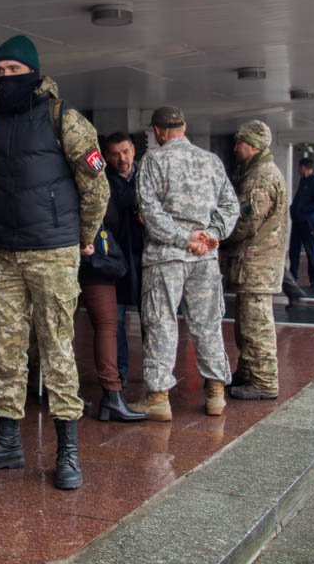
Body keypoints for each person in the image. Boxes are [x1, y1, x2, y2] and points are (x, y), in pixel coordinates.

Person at [0, 34, 109, 491]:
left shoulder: (66, 119)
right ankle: (7, 442)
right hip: (4, 252)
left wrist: (82, 239)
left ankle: (67, 451)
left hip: (53, 251)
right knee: (4, 349)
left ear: (34, 71)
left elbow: (96, 187)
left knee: (56, 349)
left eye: (13, 71)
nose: (5, 79)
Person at [130, 106, 239, 421]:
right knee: (207, 324)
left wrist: (182, 239)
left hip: (167, 258)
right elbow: (230, 205)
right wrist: (211, 235)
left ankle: (159, 398)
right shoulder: (211, 161)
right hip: (204, 257)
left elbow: (150, 212)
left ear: (158, 131)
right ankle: (216, 394)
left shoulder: (154, 160)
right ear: (184, 126)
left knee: (161, 323)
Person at [221, 120, 289, 401]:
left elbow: (246, 221)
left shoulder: (261, 176)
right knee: (246, 323)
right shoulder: (260, 172)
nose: (235, 148)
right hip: (256, 263)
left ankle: (263, 381)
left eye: (239, 143)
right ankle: (248, 373)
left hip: (256, 264)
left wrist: (220, 236)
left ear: (252, 145)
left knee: (255, 325)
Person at [78, 191, 145, 422]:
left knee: (61, 326)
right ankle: (111, 396)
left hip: (64, 250)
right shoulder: (91, 170)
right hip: (93, 257)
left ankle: (65, 392)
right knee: (107, 325)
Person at [103, 131, 145, 387]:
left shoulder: (147, 176)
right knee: (115, 321)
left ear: (133, 151)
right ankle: (120, 372)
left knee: (150, 318)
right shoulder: (102, 182)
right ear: (107, 157)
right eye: (116, 154)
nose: (122, 158)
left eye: (126, 152)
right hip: (115, 260)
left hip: (145, 258)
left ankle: (155, 373)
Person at [288, 156, 314, 291]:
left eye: (299, 167)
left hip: (308, 221)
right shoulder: (304, 180)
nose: (298, 170)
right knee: (294, 250)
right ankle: (293, 276)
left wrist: (303, 210)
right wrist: (293, 209)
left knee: (310, 250)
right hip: (298, 220)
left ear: (303, 167)